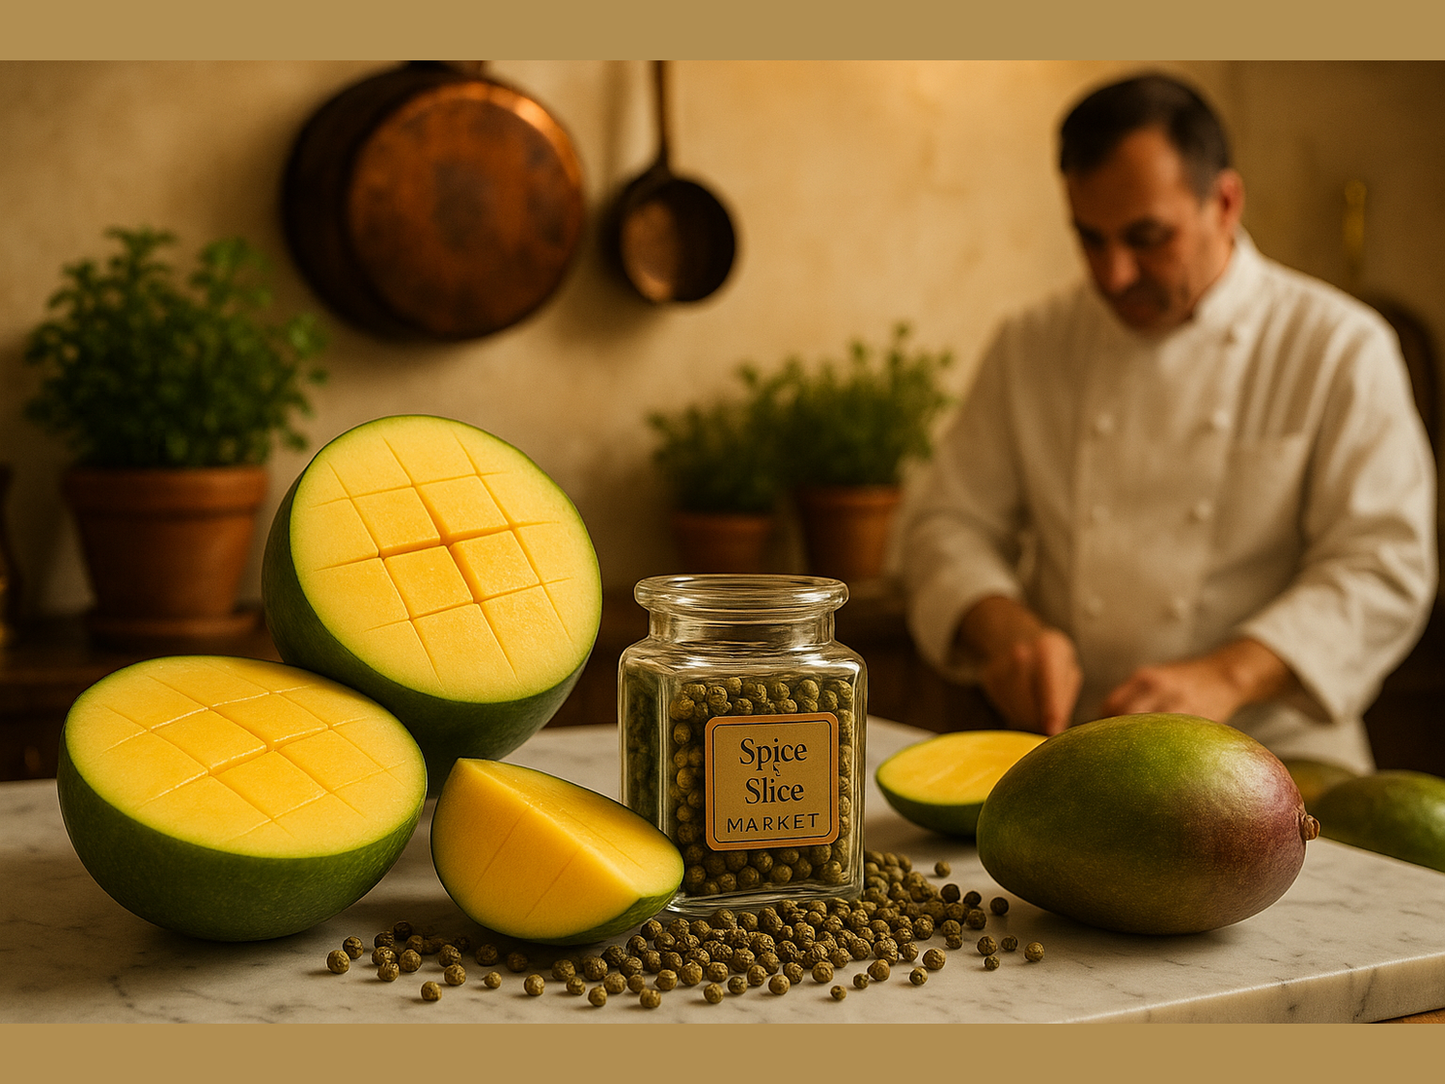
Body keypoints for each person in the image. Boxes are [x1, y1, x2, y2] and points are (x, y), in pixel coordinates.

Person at [899, 72, 1437, 773]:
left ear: (1223, 202)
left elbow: (1381, 564)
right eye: (1089, 239)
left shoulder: (1337, 346)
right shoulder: (1029, 344)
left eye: (1146, 238)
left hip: (1280, 755)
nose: (1115, 274)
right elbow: (946, 524)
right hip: (1081, 747)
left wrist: (1227, 676)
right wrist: (1004, 629)